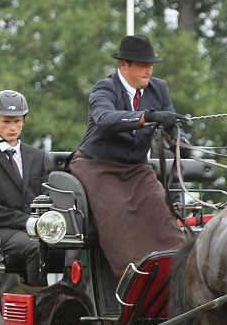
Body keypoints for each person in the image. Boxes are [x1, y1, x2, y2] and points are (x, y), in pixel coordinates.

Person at [71, 34, 186, 278]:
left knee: (161, 212)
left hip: (136, 168)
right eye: (143, 65)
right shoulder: (104, 88)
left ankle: (177, 270)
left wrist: (177, 138)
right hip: (97, 166)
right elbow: (104, 119)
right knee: (119, 216)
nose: (149, 71)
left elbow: (171, 124)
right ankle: (133, 276)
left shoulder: (159, 88)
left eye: (151, 65)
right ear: (123, 65)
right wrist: (147, 117)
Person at [0, 90, 45, 285]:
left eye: (17, 121)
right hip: (1, 231)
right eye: (6, 121)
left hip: (37, 229)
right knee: (35, 247)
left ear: (23, 121)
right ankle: (38, 300)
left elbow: (46, 194)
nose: (12, 127)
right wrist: (28, 222)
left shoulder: (37, 156)